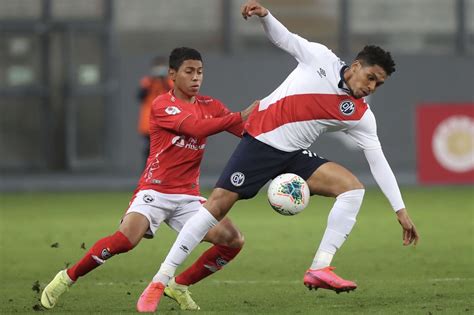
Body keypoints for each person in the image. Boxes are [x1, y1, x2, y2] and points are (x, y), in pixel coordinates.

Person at [144, 0, 420, 310]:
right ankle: (160, 279)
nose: (371, 87)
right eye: (370, 77)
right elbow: (285, 38)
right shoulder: (320, 58)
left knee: (352, 189)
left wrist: (400, 210)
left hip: (294, 155)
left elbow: (377, 159)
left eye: (378, 84)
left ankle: (319, 267)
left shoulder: (360, 115)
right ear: (356, 66)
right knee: (215, 208)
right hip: (260, 142)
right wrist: (265, 16)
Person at [40, 47, 257, 312]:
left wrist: (277, 121)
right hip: (155, 190)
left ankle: (178, 285)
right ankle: (67, 277)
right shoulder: (162, 104)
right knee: (126, 240)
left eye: (200, 72)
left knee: (233, 240)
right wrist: (239, 114)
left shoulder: (210, 106)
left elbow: (245, 131)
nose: (196, 77)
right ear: (172, 74)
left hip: (188, 196)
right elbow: (196, 128)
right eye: (189, 71)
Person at [137, 56, 174, 166]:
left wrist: (163, 81)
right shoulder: (147, 82)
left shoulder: (170, 82)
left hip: (166, 122)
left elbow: (174, 95)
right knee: (148, 151)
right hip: (148, 123)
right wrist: (152, 81)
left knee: (167, 152)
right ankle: (147, 176)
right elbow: (140, 96)